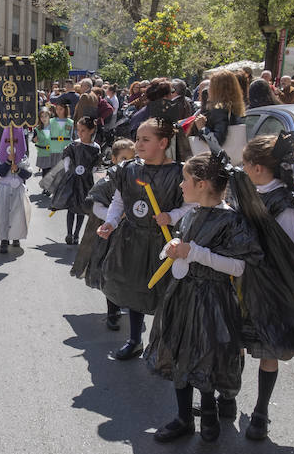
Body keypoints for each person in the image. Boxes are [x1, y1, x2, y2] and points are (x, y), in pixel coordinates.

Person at [146, 153, 263, 443]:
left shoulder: (232, 221)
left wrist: (195, 253)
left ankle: (209, 409)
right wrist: (173, 246)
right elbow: (183, 242)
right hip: (183, 295)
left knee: (207, 355)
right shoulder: (192, 212)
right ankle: (184, 417)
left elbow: (238, 266)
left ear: (201, 184)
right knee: (177, 349)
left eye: (185, 180)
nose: (180, 185)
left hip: (213, 300)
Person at [98, 118, 192, 361]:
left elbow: (191, 205)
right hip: (132, 239)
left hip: (163, 243)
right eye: (138, 138)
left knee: (165, 293)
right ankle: (135, 341)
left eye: (145, 139)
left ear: (163, 143)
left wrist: (171, 216)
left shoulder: (178, 172)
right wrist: (110, 222)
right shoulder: (129, 169)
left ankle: (164, 345)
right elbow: (119, 202)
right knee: (135, 288)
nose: (138, 144)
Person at [239, 133, 294, 440]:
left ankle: (261, 411)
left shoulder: (285, 202)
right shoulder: (247, 190)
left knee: (268, 349)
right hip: (239, 275)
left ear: (256, 167)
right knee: (234, 339)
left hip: (270, 282)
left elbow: (283, 248)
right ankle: (227, 398)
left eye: (244, 163)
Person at [72, 139, 136, 330]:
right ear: (114, 159)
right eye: (123, 158)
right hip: (112, 237)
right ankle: (113, 311)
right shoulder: (106, 183)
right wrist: (114, 217)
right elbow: (96, 208)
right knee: (111, 272)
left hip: (134, 237)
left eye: (132, 159)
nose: (128, 163)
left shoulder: (139, 180)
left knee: (130, 271)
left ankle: (130, 305)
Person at [51, 117, 100, 245]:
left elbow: (95, 164)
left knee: (82, 207)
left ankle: (77, 234)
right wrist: (70, 171)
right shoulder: (74, 145)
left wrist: (89, 172)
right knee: (72, 207)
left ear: (91, 130)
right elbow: (67, 157)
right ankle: (69, 233)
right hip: (73, 180)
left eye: (83, 130)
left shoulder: (95, 148)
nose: (80, 133)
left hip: (86, 182)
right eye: (78, 130)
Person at [0, 127, 33, 253]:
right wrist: (8, 161)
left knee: (18, 214)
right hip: (4, 189)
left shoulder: (23, 157)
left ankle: (16, 236)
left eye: (16, 140)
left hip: (18, 190)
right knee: (3, 215)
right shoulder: (0, 156)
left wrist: (18, 170)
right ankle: (4, 240)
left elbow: (28, 174)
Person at [192, 69, 245, 146]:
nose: (208, 89)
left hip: (218, 155)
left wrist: (202, 128)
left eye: (210, 85)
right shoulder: (233, 107)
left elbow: (217, 140)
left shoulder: (220, 109)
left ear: (216, 89)